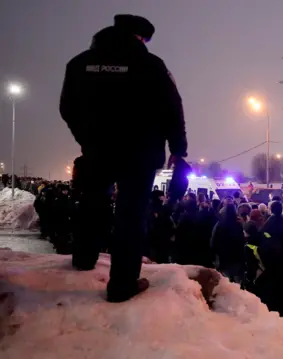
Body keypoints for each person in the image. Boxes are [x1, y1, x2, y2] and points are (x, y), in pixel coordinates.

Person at [60, 14, 187, 302]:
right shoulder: (152, 66)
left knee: (92, 201)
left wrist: (87, 138)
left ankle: (83, 257)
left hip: (97, 150)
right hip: (139, 154)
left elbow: (67, 107)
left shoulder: (79, 63)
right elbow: (172, 109)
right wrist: (178, 150)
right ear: (139, 37)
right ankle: (122, 284)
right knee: (131, 215)